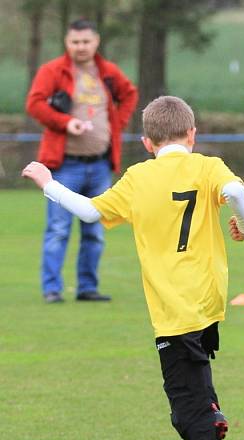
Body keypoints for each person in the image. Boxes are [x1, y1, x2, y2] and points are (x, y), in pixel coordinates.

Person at [22, 96, 244, 440]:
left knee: (184, 405)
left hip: (172, 309)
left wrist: (48, 183)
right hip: (209, 301)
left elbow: (90, 213)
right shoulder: (207, 166)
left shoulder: (138, 177)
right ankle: (211, 412)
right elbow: (237, 190)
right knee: (196, 381)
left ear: (147, 142)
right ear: (192, 134)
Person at [26, 18, 138, 304]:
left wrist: (118, 124)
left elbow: (130, 94)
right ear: (67, 43)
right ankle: (52, 288)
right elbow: (34, 104)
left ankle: (87, 287)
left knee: (95, 230)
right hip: (65, 163)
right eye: (75, 42)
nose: (81, 47)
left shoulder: (107, 72)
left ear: (96, 41)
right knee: (58, 229)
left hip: (100, 163)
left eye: (86, 41)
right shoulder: (53, 71)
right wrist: (65, 122)